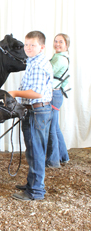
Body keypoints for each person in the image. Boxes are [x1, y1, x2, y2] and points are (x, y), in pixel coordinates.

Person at [8, 31, 53, 201]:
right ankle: (32, 183)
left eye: (32, 45)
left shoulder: (39, 65)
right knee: (33, 150)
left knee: (36, 152)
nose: (28, 48)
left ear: (41, 47)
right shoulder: (33, 62)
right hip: (35, 111)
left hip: (37, 111)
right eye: (26, 45)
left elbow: (37, 93)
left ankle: (35, 191)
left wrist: (14, 92)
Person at [46, 34, 70, 168]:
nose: (57, 44)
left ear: (66, 44)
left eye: (61, 42)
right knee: (55, 127)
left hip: (53, 94)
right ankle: (63, 156)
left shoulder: (60, 59)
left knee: (51, 128)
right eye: (55, 41)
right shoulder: (60, 56)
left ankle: (53, 160)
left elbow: (47, 73)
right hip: (57, 94)